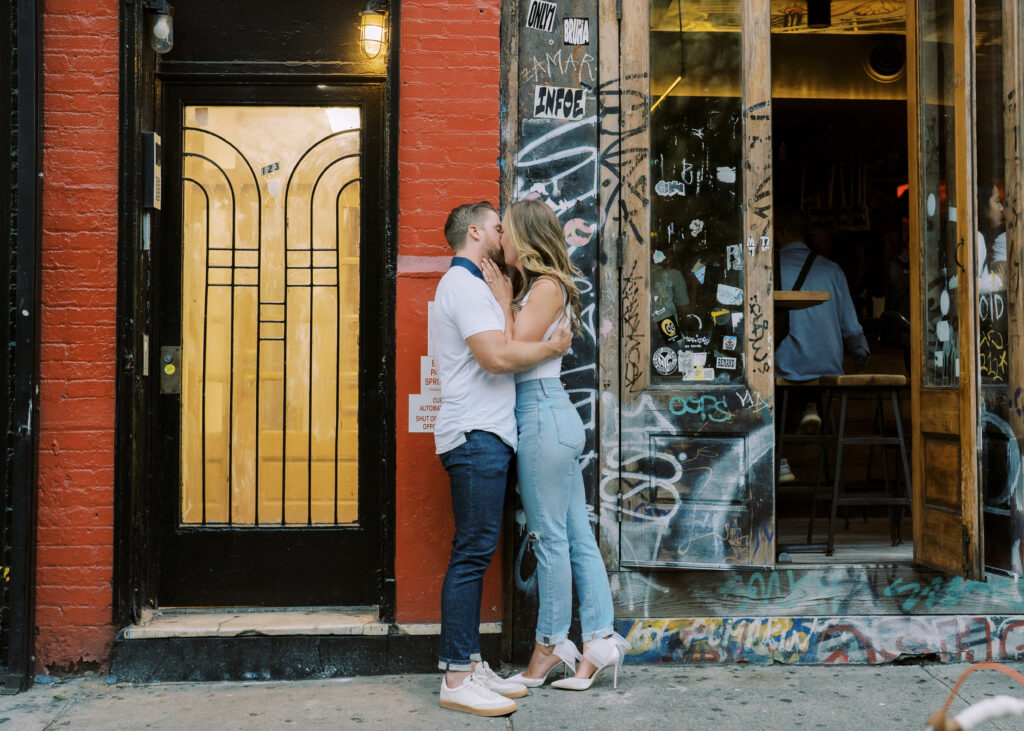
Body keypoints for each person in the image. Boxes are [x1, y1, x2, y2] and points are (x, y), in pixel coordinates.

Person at [480, 199, 628, 693]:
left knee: (550, 540)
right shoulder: (543, 286)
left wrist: (502, 302)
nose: (499, 238)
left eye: (505, 231)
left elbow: (511, 351)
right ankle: (599, 642)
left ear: (522, 239)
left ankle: (549, 646)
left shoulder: (544, 287)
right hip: (548, 416)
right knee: (574, 536)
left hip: (542, 414)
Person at [432, 201, 573, 717]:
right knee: (471, 552)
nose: (503, 232)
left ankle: (470, 660)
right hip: (475, 435)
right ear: (475, 233)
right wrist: (553, 347)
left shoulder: (479, 285)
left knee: (477, 549)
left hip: (486, 434)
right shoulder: (463, 286)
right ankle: (455, 675)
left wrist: (506, 299)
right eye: (497, 225)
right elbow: (496, 357)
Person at [775, 205, 870, 483]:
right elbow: (850, 327)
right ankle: (810, 406)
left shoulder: (768, 268)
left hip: (786, 366)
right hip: (826, 368)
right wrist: (861, 355)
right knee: (806, 372)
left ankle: (780, 458)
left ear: (780, 233)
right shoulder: (833, 270)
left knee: (775, 381)